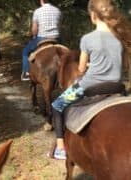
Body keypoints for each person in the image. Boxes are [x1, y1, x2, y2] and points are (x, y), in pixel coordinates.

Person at [51, 0, 131, 160]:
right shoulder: (119, 39)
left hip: (90, 87)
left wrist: (88, 65)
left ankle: (60, 148)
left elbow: (80, 69)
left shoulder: (88, 39)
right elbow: (118, 64)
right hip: (116, 87)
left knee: (57, 105)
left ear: (93, 15)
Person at [21, 0, 61, 81]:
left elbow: (34, 29)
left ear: (41, 0)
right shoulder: (57, 11)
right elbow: (59, 26)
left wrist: (34, 35)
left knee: (25, 52)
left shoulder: (37, 11)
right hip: (56, 38)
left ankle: (26, 73)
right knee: (65, 53)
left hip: (41, 38)